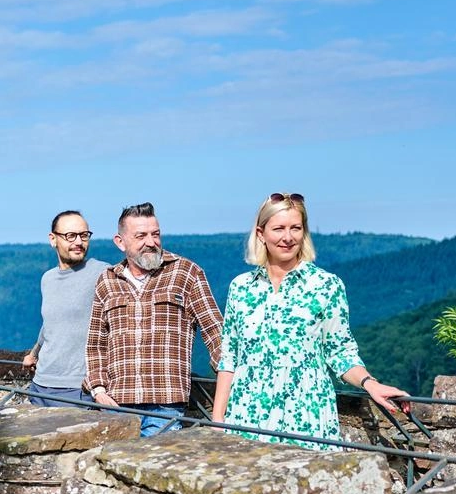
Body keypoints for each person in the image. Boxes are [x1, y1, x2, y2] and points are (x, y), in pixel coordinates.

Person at [210, 192, 409, 448]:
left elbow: (340, 352)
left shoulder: (326, 286)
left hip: (305, 416)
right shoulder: (241, 288)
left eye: (296, 228)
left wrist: (371, 384)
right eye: (279, 228)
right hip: (246, 416)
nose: (288, 237)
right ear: (261, 234)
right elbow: (229, 358)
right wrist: (218, 420)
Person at [84, 201, 224, 436]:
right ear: (120, 242)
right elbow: (96, 344)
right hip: (116, 404)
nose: (151, 242)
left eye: (155, 234)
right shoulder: (106, 281)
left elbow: (216, 332)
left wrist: (234, 383)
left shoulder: (186, 273)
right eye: (141, 236)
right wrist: (98, 390)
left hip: (165, 406)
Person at [22, 210, 111, 407]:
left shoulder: (102, 272)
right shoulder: (47, 279)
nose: (78, 242)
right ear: (53, 239)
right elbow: (50, 325)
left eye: (84, 235)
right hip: (39, 384)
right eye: (71, 236)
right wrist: (34, 353)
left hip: (77, 388)